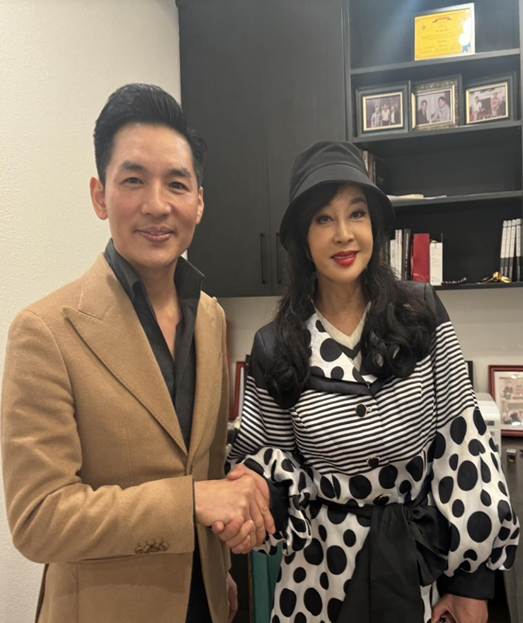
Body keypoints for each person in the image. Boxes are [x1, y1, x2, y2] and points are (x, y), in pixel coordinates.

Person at [1, 83, 274, 623]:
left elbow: (203, 464)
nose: (157, 205)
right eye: (133, 180)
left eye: (177, 183)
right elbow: (38, 519)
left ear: (199, 201)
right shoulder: (45, 332)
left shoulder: (211, 319)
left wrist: (219, 562)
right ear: (100, 195)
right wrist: (191, 502)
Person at [220, 141, 519, 623]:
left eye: (356, 213)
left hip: (415, 566)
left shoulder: (421, 314)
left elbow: (462, 446)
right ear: (302, 237)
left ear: (374, 225)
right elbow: (265, 464)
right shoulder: (276, 346)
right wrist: (251, 498)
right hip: (317, 579)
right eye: (323, 218)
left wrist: (470, 584)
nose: (344, 234)